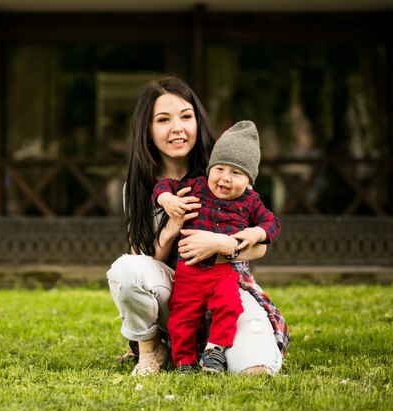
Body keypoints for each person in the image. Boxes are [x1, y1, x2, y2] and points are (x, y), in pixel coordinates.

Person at [106, 75, 289, 377]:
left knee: (255, 369)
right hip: (176, 293)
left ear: (198, 122)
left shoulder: (221, 173)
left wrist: (224, 245)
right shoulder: (139, 188)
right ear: (148, 131)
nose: (177, 128)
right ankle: (152, 348)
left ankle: (217, 345)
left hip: (225, 285)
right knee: (126, 270)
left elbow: (260, 248)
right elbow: (140, 261)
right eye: (163, 120)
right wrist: (172, 226)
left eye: (186, 116)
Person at [152, 120, 280, 373]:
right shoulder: (197, 186)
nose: (225, 178)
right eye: (219, 168)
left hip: (223, 272)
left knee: (230, 305)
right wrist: (165, 198)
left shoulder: (251, 202)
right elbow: (164, 185)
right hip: (188, 272)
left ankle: (214, 350)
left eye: (236, 173)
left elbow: (271, 223)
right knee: (182, 318)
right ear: (210, 168)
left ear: (249, 181)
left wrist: (255, 232)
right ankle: (185, 361)